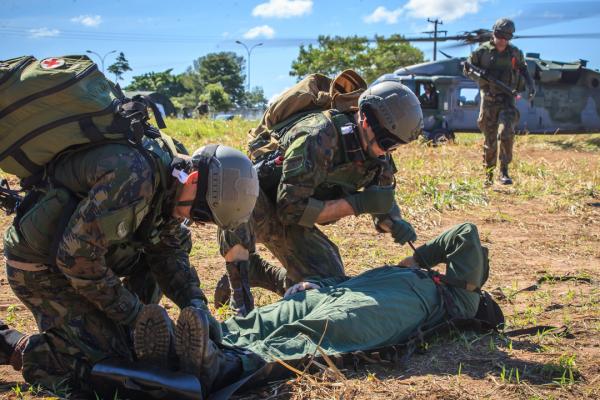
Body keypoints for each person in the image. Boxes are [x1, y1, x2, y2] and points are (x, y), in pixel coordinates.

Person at [0, 136, 259, 393]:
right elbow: (75, 260)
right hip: (41, 268)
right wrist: (134, 315)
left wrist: (194, 302)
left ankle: (128, 335)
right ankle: (16, 346)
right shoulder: (135, 177)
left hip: (94, 255)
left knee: (177, 240)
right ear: (192, 181)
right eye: (201, 214)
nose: (200, 223)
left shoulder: (173, 176)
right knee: (109, 367)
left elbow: (166, 249)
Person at [135, 222, 490, 398]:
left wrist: (419, 258)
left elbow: (465, 234)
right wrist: (323, 286)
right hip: (348, 291)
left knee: (313, 331)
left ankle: (222, 364)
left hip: (386, 312)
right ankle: (199, 340)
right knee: (277, 315)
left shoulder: (463, 298)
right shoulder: (425, 279)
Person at [216, 80, 424, 316]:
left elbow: (383, 200)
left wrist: (394, 221)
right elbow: (289, 209)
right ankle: (239, 297)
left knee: (330, 279)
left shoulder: (378, 154)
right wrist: (355, 205)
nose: (388, 151)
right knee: (235, 202)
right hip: (261, 204)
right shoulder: (317, 136)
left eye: (396, 146)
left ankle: (258, 273)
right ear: (365, 120)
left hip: (294, 216)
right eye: (387, 142)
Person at [465, 18, 536, 185]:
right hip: (489, 98)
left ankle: (504, 171)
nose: (503, 40)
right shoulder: (482, 52)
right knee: (490, 140)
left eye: (507, 37)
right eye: (500, 35)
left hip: (508, 99)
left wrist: (531, 85)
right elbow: (467, 68)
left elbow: (523, 69)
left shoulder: (514, 53)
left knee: (506, 133)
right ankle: (488, 175)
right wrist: (481, 77)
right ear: (494, 33)